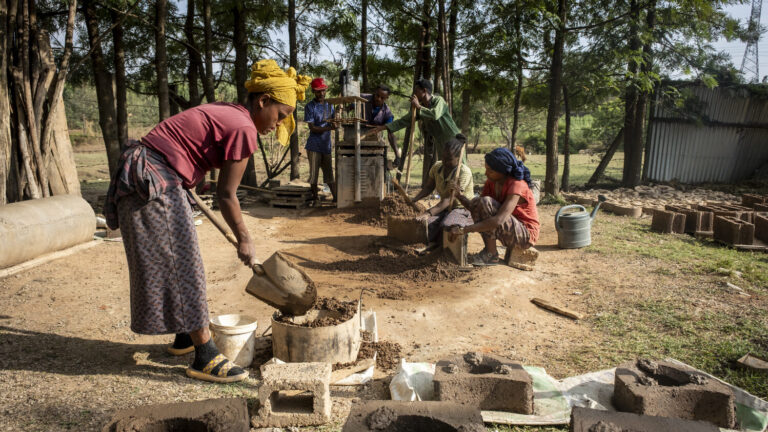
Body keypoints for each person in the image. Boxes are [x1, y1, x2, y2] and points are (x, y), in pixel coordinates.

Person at [104, 59, 310, 383]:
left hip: (147, 172)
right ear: (263, 101)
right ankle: (205, 356)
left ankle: (186, 335)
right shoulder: (244, 128)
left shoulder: (231, 113)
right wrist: (245, 237)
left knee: (176, 261)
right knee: (183, 265)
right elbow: (228, 196)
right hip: (154, 179)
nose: (278, 125)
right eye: (280, 115)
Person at [446, 147, 539, 266]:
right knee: (478, 202)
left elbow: (498, 220)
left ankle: (491, 255)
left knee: (485, 202)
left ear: (503, 171)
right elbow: (477, 208)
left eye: (490, 171)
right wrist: (459, 196)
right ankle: (490, 252)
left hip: (525, 235)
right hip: (509, 228)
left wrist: (463, 230)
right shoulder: (492, 183)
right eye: (486, 169)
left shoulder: (517, 185)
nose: (486, 173)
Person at [363, 78, 460, 186]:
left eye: (416, 91)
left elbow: (435, 115)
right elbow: (403, 121)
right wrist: (383, 127)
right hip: (441, 143)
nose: (414, 93)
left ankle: (463, 194)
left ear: (424, 91)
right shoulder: (420, 109)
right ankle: (449, 195)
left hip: (453, 139)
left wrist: (418, 106)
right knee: (447, 168)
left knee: (460, 167)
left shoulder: (438, 100)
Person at [412, 134, 474, 244]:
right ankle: (433, 246)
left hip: (460, 209)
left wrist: (428, 213)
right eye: (443, 157)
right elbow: (428, 187)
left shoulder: (464, 172)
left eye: (449, 159)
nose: (445, 162)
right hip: (443, 208)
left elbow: (448, 199)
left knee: (447, 226)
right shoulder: (437, 167)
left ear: (458, 158)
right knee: (425, 226)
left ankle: (450, 252)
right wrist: (414, 199)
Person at [304, 77, 336, 205]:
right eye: (318, 91)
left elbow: (335, 120)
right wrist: (330, 128)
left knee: (329, 174)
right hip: (314, 145)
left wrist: (337, 121)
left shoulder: (330, 105)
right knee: (314, 174)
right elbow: (312, 127)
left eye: (323, 91)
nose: (321, 93)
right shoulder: (310, 106)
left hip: (326, 145)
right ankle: (315, 198)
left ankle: (336, 198)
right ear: (313, 91)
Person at [362, 84, 401, 166]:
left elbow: (390, 131)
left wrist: (397, 155)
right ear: (374, 93)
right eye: (377, 95)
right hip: (357, 138)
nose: (378, 99)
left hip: (374, 144)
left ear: (386, 98)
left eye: (382, 98)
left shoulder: (387, 113)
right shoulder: (362, 98)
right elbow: (347, 104)